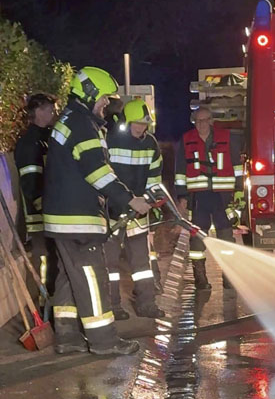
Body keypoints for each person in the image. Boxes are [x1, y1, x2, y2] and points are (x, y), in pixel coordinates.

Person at [43, 66, 151, 355]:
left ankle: (67, 338)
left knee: (69, 277)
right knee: (93, 277)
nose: (106, 106)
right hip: (78, 219)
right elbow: (97, 171)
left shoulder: (70, 119)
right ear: (90, 94)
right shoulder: (82, 125)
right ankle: (104, 341)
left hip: (62, 218)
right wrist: (130, 200)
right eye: (103, 99)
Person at [105, 98, 164, 320]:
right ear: (126, 121)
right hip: (112, 211)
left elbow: (154, 179)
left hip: (139, 211)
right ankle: (112, 306)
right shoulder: (110, 140)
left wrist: (149, 202)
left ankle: (146, 303)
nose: (141, 128)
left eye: (144, 124)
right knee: (109, 262)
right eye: (136, 123)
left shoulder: (151, 145)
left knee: (142, 262)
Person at [174, 105, 243, 290]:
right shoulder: (186, 139)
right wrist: (182, 197)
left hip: (223, 198)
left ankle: (229, 278)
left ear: (211, 121)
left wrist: (238, 190)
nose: (201, 124)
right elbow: (180, 171)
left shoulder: (227, 138)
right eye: (197, 121)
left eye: (204, 120)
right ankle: (200, 279)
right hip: (199, 198)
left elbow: (237, 166)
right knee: (197, 239)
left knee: (226, 237)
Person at [14, 93, 59, 295]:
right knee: (42, 260)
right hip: (38, 215)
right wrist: (42, 205)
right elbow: (30, 181)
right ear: (38, 111)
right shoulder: (29, 142)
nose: (54, 113)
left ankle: (50, 303)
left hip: (52, 211)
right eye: (50, 109)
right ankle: (42, 308)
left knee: (52, 261)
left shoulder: (47, 139)